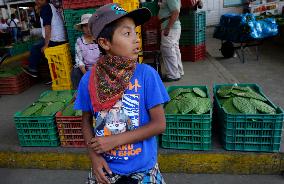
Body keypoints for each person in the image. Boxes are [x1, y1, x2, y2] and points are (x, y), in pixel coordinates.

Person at [74, 3, 169, 184]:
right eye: (127, 33)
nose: (136, 39)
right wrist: (94, 158)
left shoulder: (147, 75)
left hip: (144, 168)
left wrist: (115, 140)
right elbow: (86, 120)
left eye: (135, 32)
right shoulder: (89, 80)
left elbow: (159, 124)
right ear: (105, 43)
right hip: (106, 167)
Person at [22, 0, 67, 78]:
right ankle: (53, 75)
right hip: (61, 39)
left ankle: (33, 69)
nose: (37, 2)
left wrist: (46, 44)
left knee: (35, 48)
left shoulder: (46, 8)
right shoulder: (52, 7)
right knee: (41, 51)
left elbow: (47, 27)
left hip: (55, 40)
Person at [71, 14, 101, 89]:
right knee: (75, 71)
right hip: (86, 69)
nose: (88, 28)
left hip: (100, 67)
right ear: (82, 28)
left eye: (89, 25)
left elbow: (105, 55)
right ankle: (78, 94)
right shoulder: (79, 41)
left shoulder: (99, 38)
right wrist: (86, 75)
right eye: (85, 26)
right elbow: (79, 60)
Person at [158, 0, 184, 82]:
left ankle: (173, 75)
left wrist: (168, 28)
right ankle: (178, 71)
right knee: (174, 50)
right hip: (172, 26)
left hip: (170, 27)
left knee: (168, 50)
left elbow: (176, 12)